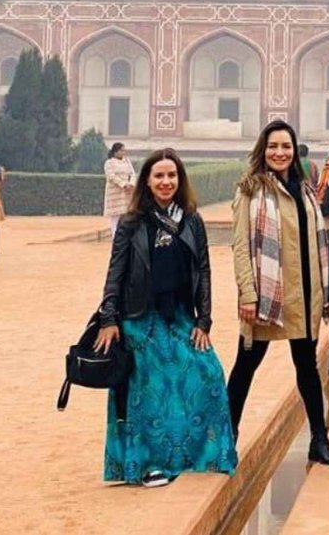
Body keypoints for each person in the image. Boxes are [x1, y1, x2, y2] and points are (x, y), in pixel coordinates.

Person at [94, 148, 236, 487]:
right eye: (159, 175)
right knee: (153, 386)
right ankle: (147, 465)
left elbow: (203, 270)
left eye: (172, 175)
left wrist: (204, 321)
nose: (166, 181)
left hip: (180, 315)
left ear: (180, 180)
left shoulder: (191, 220)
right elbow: (116, 272)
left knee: (209, 373)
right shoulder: (132, 222)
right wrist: (109, 319)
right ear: (147, 181)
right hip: (140, 318)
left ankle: (200, 455)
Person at [228, 120, 329, 465]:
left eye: (286, 146)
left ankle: (319, 439)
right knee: (246, 365)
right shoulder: (250, 189)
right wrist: (248, 294)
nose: (280, 153)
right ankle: (226, 439)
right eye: (273, 146)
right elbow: (240, 246)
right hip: (267, 294)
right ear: (263, 150)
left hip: (303, 294)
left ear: (294, 151)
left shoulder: (304, 190)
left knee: (307, 367)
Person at [103, 142, 135, 238]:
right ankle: (115, 238)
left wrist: (131, 184)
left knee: (126, 216)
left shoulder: (127, 161)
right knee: (115, 218)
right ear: (115, 151)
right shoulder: (109, 163)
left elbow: (132, 174)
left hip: (127, 192)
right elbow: (111, 176)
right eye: (121, 150)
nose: (123, 152)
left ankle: (125, 239)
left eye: (124, 150)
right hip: (115, 193)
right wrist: (123, 184)